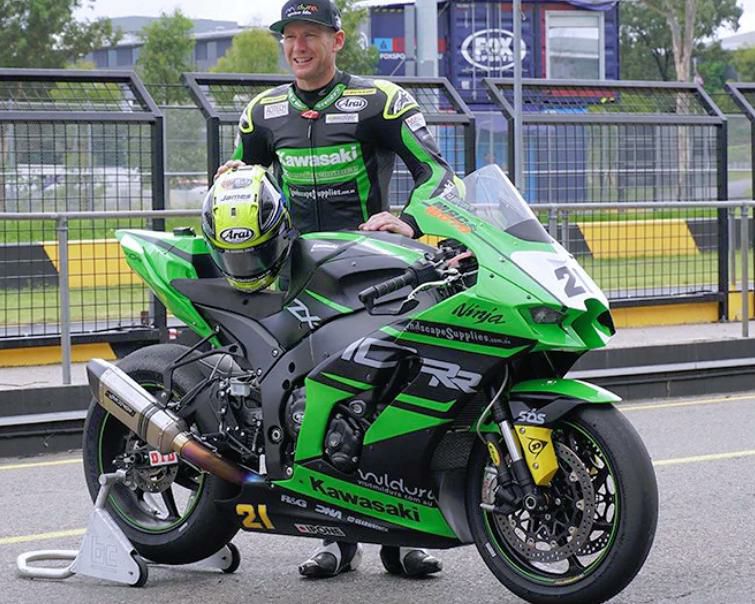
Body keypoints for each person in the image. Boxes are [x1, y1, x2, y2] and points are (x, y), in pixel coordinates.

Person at [215, 0, 460, 580]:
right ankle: (333, 538)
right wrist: (228, 181)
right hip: (298, 274)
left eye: (310, 35)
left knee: (391, 394)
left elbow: (436, 172)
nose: (298, 47)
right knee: (313, 401)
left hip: (379, 270)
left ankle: (403, 540)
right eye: (289, 36)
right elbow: (241, 179)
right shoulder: (262, 112)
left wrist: (410, 221)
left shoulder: (380, 100)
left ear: (337, 40)